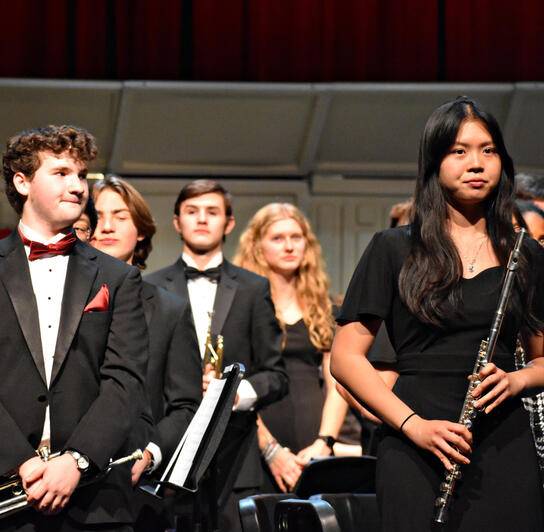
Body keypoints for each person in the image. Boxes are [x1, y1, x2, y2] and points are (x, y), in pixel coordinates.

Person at [330, 96, 544, 531]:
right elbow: (345, 359)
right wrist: (413, 426)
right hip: (414, 443)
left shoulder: (526, 254)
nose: (477, 163)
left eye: (488, 150)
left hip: (505, 442)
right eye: (459, 151)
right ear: (434, 163)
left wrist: (516, 379)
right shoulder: (392, 249)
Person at [0, 125, 148, 531]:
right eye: (61, 173)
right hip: (7, 493)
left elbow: (126, 380)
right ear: (23, 181)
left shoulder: (118, 277)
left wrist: (77, 459)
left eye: (81, 175)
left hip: (97, 500)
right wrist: (21, 460)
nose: (78, 186)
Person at [145, 179, 287, 531]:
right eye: (192, 212)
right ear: (177, 222)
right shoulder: (150, 287)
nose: (202, 220)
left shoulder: (254, 288)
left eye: (212, 212)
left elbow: (276, 375)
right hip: (170, 454)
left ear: (229, 223)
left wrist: (238, 394)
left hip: (235, 454)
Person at [91, 176, 202, 531]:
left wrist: (152, 452)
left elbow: (186, 403)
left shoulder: (170, 309)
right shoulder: (58, 300)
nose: (106, 226)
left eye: (120, 216)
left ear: (141, 231)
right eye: (97, 215)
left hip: (133, 488)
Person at [233, 203, 348, 491]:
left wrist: (325, 442)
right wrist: (270, 449)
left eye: (296, 238)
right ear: (257, 246)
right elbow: (234, 389)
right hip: (257, 445)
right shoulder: (243, 306)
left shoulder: (324, 307)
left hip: (314, 446)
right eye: (277, 238)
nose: (289, 247)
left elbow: (338, 383)